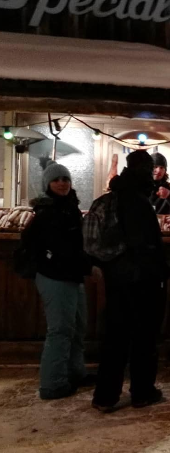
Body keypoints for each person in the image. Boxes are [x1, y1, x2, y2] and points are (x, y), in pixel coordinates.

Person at [92, 150, 170, 412]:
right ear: (143, 170)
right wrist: (161, 271)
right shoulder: (137, 200)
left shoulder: (116, 195)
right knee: (143, 338)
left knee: (115, 336)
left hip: (116, 277)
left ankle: (105, 395)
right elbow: (147, 244)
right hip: (142, 279)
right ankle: (142, 392)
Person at [21, 162, 93, 400]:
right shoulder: (48, 212)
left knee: (77, 327)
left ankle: (75, 371)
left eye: (65, 178)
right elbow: (60, 248)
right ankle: (52, 384)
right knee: (61, 329)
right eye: (57, 180)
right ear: (47, 185)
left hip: (71, 275)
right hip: (55, 275)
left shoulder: (69, 207)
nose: (62, 183)